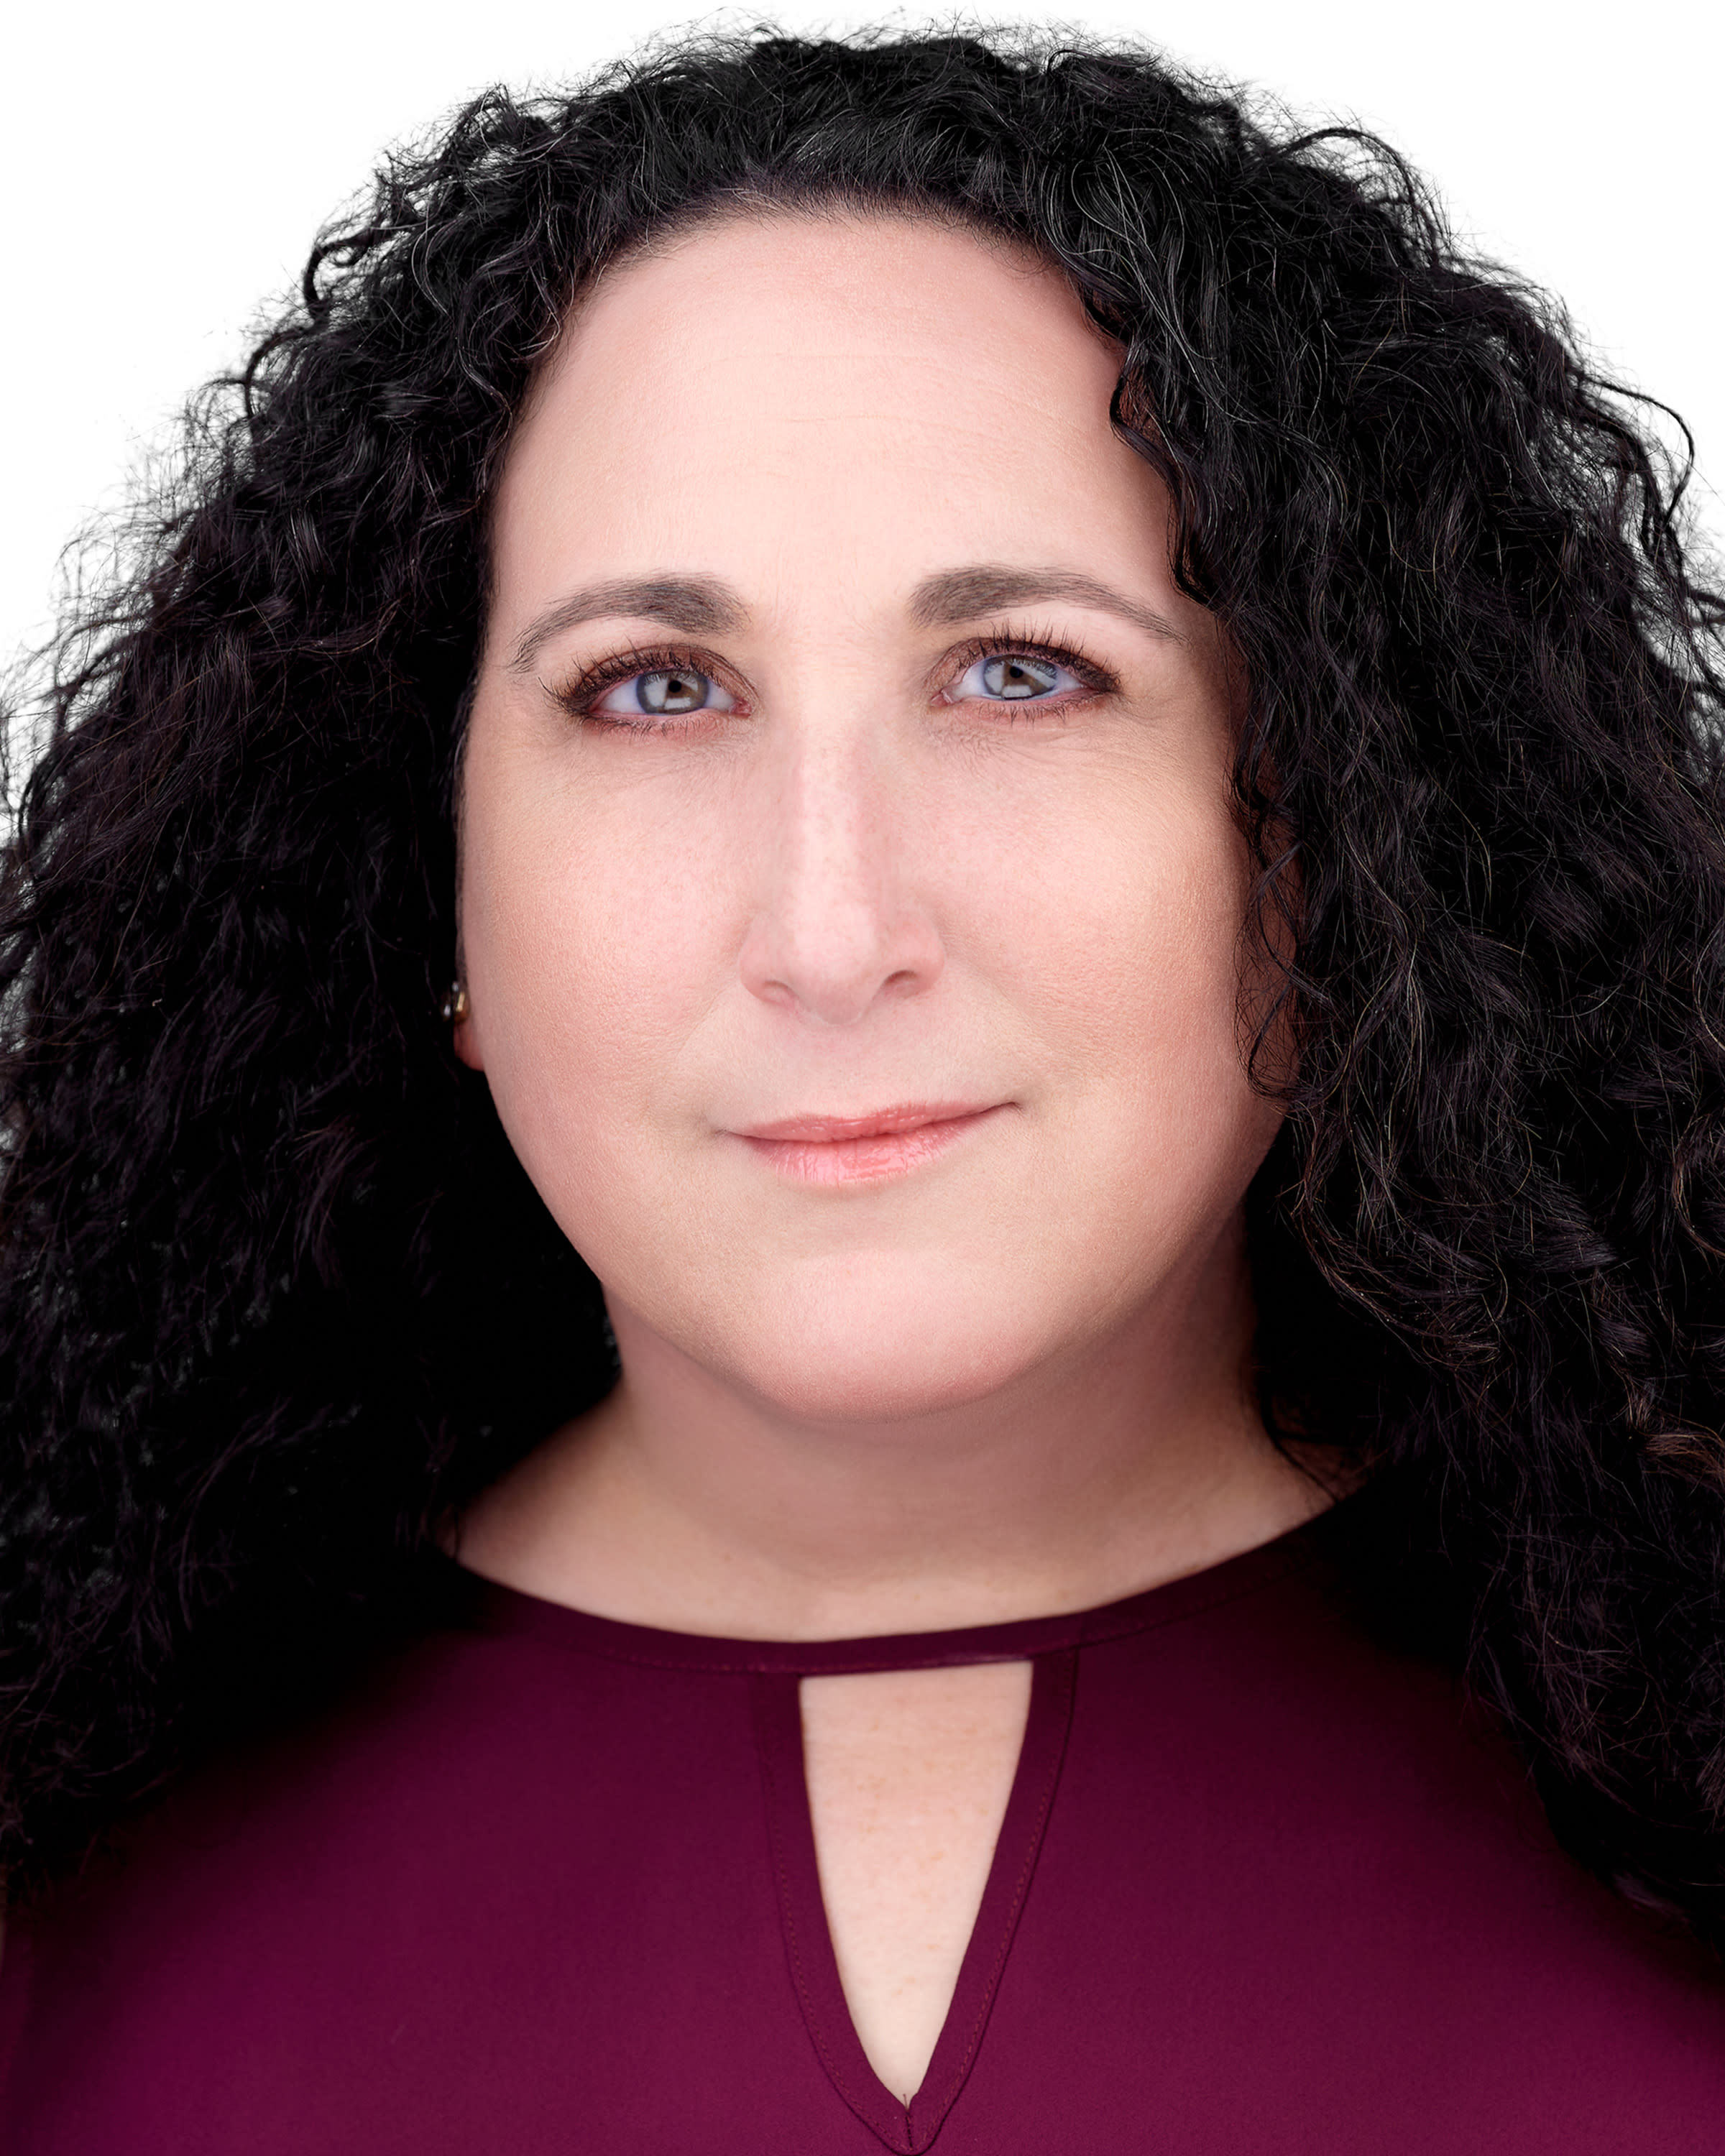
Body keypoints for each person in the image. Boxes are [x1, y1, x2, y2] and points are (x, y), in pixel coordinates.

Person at [1, 24, 1724, 2151]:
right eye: (654, 688)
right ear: (423, 880)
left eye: (1022, 673)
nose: (832, 931)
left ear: (1345, 830)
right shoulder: (59, 1878)